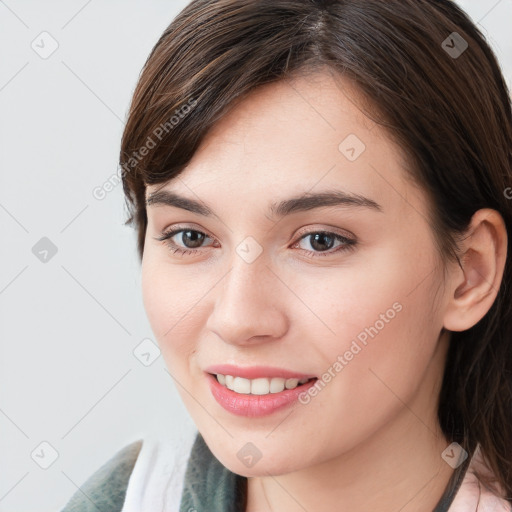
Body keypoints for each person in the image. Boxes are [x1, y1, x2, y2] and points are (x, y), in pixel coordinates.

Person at [61, 0, 512, 510]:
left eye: (321, 240)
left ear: (470, 272)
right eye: (190, 236)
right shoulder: (124, 500)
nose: (238, 320)